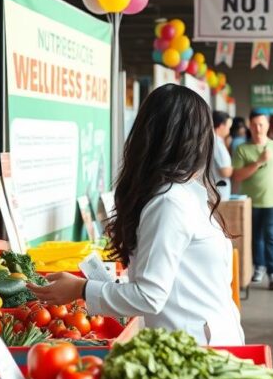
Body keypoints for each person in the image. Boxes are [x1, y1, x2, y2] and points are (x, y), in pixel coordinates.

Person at [29, 84, 244, 345]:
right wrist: (83, 289)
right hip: (195, 346)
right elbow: (151, 294)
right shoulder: (171, 200)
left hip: (202, 343)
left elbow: (151, 294)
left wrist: (82, 289)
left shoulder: (175, 198)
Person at [233, 111, 273, 290]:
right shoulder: (242, 149)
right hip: (250, 202)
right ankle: (259, 267)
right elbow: (238, 176)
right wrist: (259, 162)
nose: (258, 128)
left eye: (261, 124)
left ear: (267, 126)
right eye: (255, 125)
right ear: (249, 127)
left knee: (271, 237)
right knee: (255, 237)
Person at [212, 110, 233, 201]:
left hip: (214, 192)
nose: (229, 130)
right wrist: (233, 168)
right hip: (219, 194)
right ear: (221, 126)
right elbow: (225, 171)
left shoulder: (211, 141)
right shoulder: (217, 143)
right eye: (228, 127)